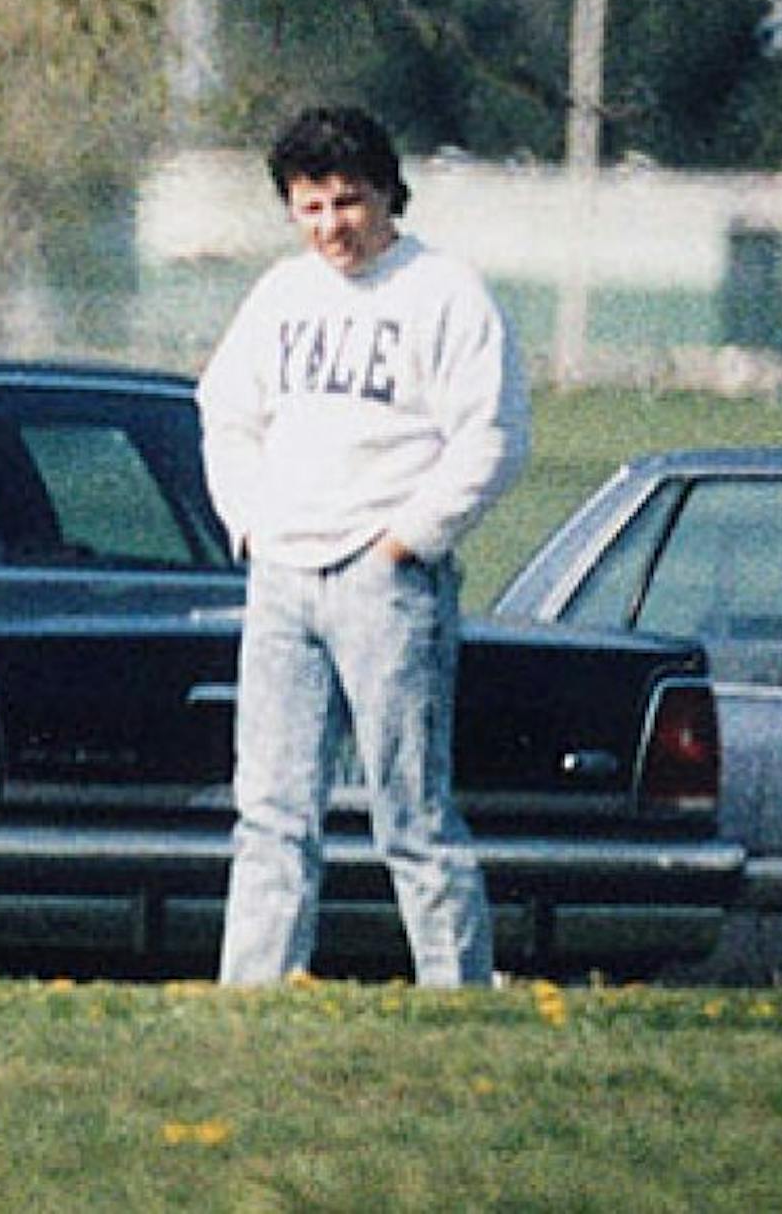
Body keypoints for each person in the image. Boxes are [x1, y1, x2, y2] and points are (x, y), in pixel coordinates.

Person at [196, 105, 530, 988]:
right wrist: (252, 524)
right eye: (309, 208)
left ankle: (457, 996)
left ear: (386, 194)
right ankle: (254, 998)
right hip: (283, 578)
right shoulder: (281, 295)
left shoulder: (444, 293)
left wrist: (404, 543)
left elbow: (494, 438)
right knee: (271, 813)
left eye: (347, 202)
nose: (330, 226)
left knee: (411, 811)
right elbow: (226, 414)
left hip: (386, 584)